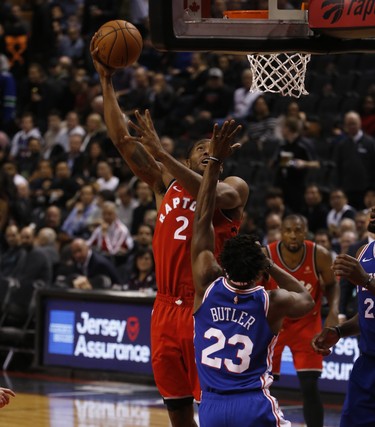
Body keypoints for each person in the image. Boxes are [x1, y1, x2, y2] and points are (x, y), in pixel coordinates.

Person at [91, 40, 249, 427]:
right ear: (189, 156)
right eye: (198, 147)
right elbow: (123, 141)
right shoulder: (167, 186)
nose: (205, 150)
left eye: (211, 147)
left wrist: (163, 154)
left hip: (204, 306)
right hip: (163, 307)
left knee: (213, 409)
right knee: (176, 410)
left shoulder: (234, 187)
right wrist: (106, 81)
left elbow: (216, 190)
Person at [191, 124, 314, 427]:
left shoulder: (205, 284)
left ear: (224, 262)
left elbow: (203, 216)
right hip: (252, 404)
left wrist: (213, 165)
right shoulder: (271, 300)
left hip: (210, 406)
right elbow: (307, 299)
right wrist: (270, 264)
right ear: (260, 268)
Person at [263, 214, 340, 427]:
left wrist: (333, 311)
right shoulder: (266, 254)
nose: (293, 235)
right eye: (288, 230)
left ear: (305, 232)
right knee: (267, 385)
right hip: (275, 324)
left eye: (298, 230)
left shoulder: (320, 254)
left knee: (309, 385)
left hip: (308, 323)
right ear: (281, 233)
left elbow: (333, 285)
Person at [312, 205, 375, 427]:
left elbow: (367, 282)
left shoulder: (362, 269)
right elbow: (367, 314)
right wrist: (340, 331)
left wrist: (367, 280)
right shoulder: (364, 253)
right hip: (367, 364)